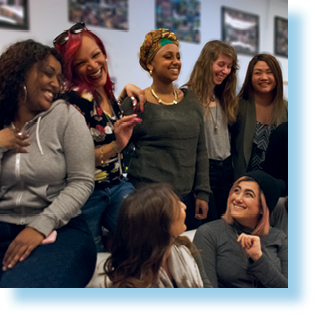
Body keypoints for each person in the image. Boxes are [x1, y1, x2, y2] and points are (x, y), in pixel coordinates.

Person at [0, 39, 96, 287]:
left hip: (61, 231)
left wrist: (39, 226)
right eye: (47, 74)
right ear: (20, 73)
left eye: (58, 77)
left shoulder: (65, 116)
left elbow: (82, 182)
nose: (56, 84)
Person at [53, 22, 143, 251]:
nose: (93, 65)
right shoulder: (74, 100)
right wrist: (117, 146)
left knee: (145, 236)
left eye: (96, 55)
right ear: (70, 69)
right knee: (90, 259)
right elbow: (75, 159)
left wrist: (124, 93)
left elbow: (104, 124)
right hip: (87, 194)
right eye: (81, 63)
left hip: (117, 184)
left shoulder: (106, 90)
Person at [121, 28, 211, 230]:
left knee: (184, 255)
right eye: (168, 56)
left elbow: (201, 149)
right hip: (149, 201)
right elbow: (117, 142)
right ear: (150, 63)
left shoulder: (191, 100)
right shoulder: (137, 102)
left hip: (186, 199)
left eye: (178, 56)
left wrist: (203, 192)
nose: (176, 62)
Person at [103, 183, 212, 288]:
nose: (184, 206)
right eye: (176, 205)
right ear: (160, 224)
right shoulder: (132, 280)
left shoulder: (187, 248)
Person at [193, 170, 288, 288]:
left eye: (248, 194)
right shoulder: (209, 233)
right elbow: (207, 293)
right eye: (236, 191)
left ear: (263, 208)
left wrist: (258, 258)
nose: (237, 198)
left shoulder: (279, 238)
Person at [185, 40, 239, 221]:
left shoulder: (224, 97)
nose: (225, 71)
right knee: (209, 226)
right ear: (207, 63)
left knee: (226, 226)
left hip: (226, 171)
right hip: (203, 172)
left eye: (229, 66)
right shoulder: (187, 96)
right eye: (220, 64)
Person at [231, 53, 288, 180]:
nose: (264, 77)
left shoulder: (287, 109)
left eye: (269, 72)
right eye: (257, 73)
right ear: (250, 77)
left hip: (275, 187)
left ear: (277, 76)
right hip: (240, 183)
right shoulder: (236, 106)